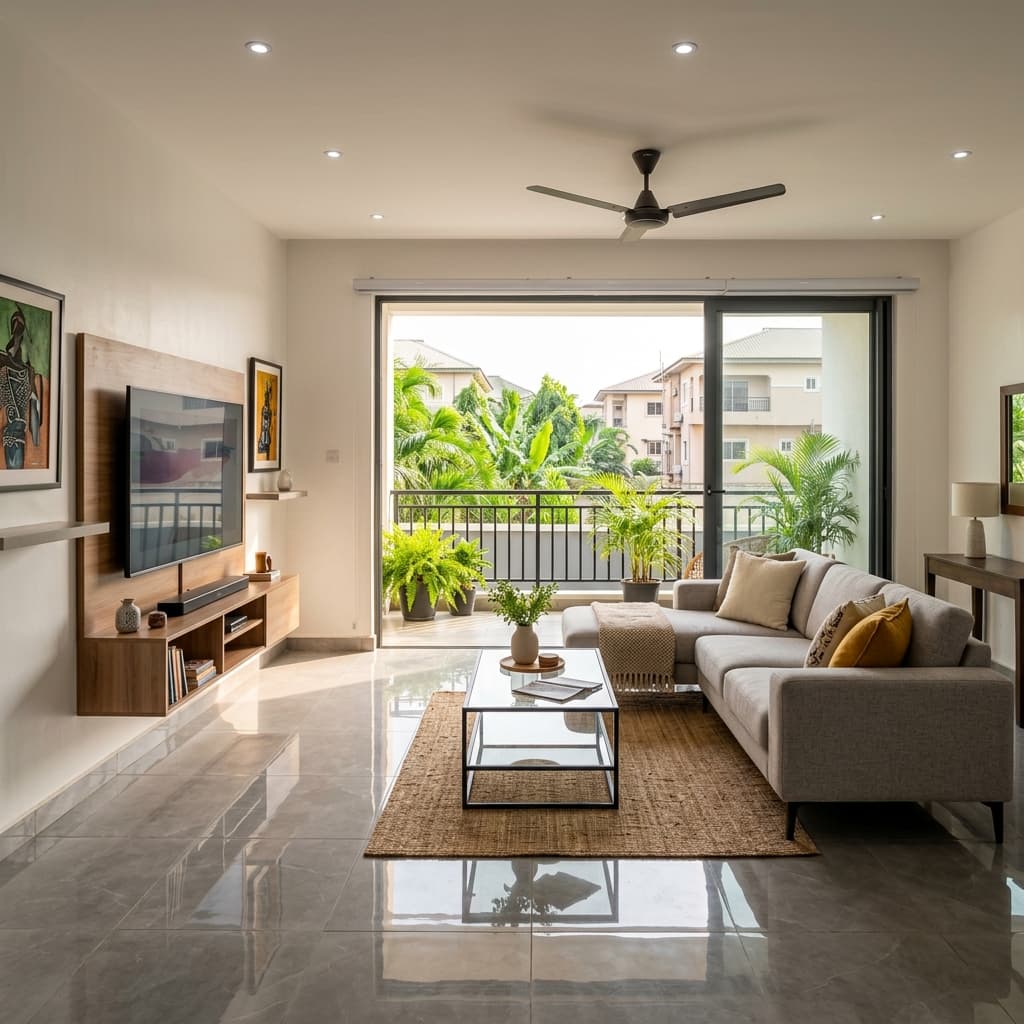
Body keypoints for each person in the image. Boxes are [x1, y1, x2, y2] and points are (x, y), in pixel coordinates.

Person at [0, 306, 43, 470]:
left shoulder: (27, 372)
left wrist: (36, 435)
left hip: (15, 434)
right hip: (12, 433)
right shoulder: (7, 369)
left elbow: (34, 407)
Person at [257, 379, 273, 457]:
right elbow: (265, 420)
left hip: (266, 430)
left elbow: (268, 420)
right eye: (266, 396)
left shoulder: (268, 409)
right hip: (264, 430)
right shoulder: (265, 408)